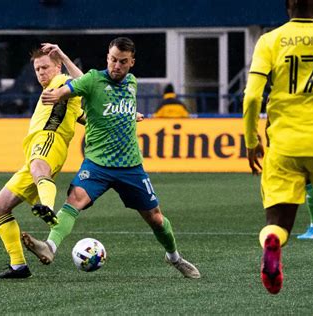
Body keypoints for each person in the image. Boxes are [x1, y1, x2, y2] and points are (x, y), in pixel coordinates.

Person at [22, 37, 201, 279]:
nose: (117, 65)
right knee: (75, 199)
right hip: (97, 164)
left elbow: (113, 104)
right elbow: (73, 86)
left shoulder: (132, 83)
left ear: (131, 63)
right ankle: (49, 247)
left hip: (131, 167)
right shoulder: (94, 79)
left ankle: (174, 257)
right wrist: (58, 95)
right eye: (113, 60)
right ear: (108, 58)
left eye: (123, 61)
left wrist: (130, 115)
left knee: (156, 219)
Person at [243, 0, 313, 295]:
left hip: (284, 144)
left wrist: (251, 141)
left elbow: (252, 98)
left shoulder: (270, 40)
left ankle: (272, 243)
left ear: (287, 4)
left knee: (277, 224)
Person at [0, 44, 85, 279]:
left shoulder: (63, 81)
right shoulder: (58, 92)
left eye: (45, 67)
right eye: (37, 69)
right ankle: (18, 265)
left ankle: (48, 209)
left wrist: (63, 54)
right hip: (34, 150)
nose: (41, 72)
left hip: (49, 140)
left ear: (58, 67)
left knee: (39, 167)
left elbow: (85, 81)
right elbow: (82, 115)